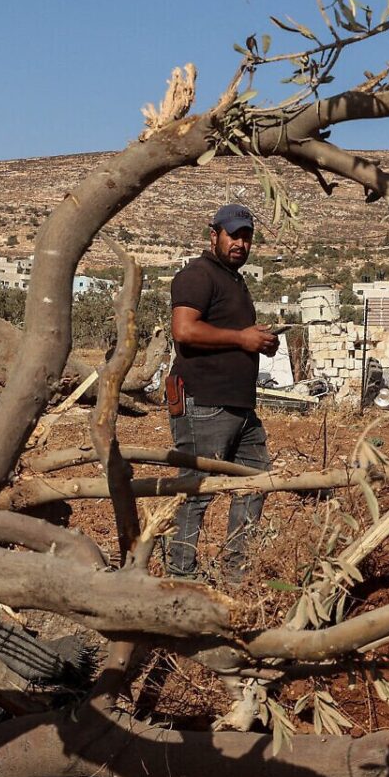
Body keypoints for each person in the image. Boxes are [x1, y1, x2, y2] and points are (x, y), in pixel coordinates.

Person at [163, 204, 279, 579]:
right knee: (197, 491)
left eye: (246, 237)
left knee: (255, 481)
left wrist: (258, 341)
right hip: (204, 402)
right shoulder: (197, 275)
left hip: (238, 406)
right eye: (233, 235)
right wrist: (242, 338)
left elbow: (231, 338)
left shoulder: (232, 279)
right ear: (214, 235)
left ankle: (236, 573)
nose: (240, 243)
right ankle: (180, 576)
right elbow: (184, 330)